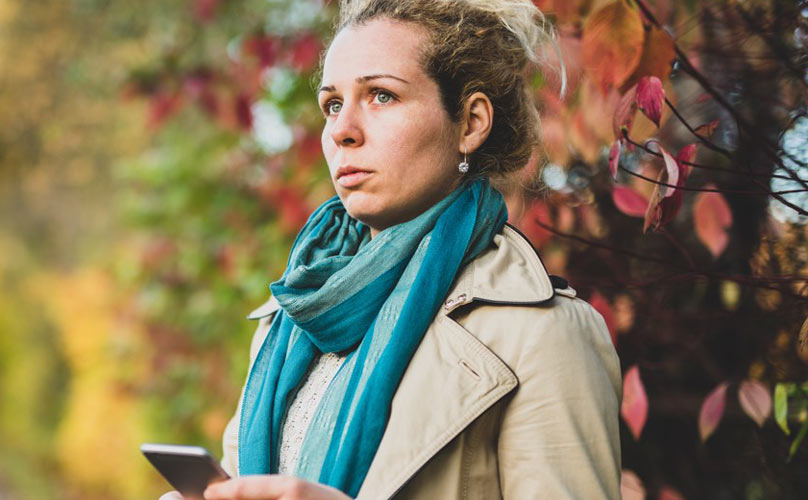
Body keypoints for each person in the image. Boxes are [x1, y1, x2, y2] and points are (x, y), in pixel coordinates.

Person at [160, 0, 622, 499]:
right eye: (333, 104)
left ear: (470, 123)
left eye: (381, 96)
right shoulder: (290, 319)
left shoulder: (542, 334)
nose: (341, 130)